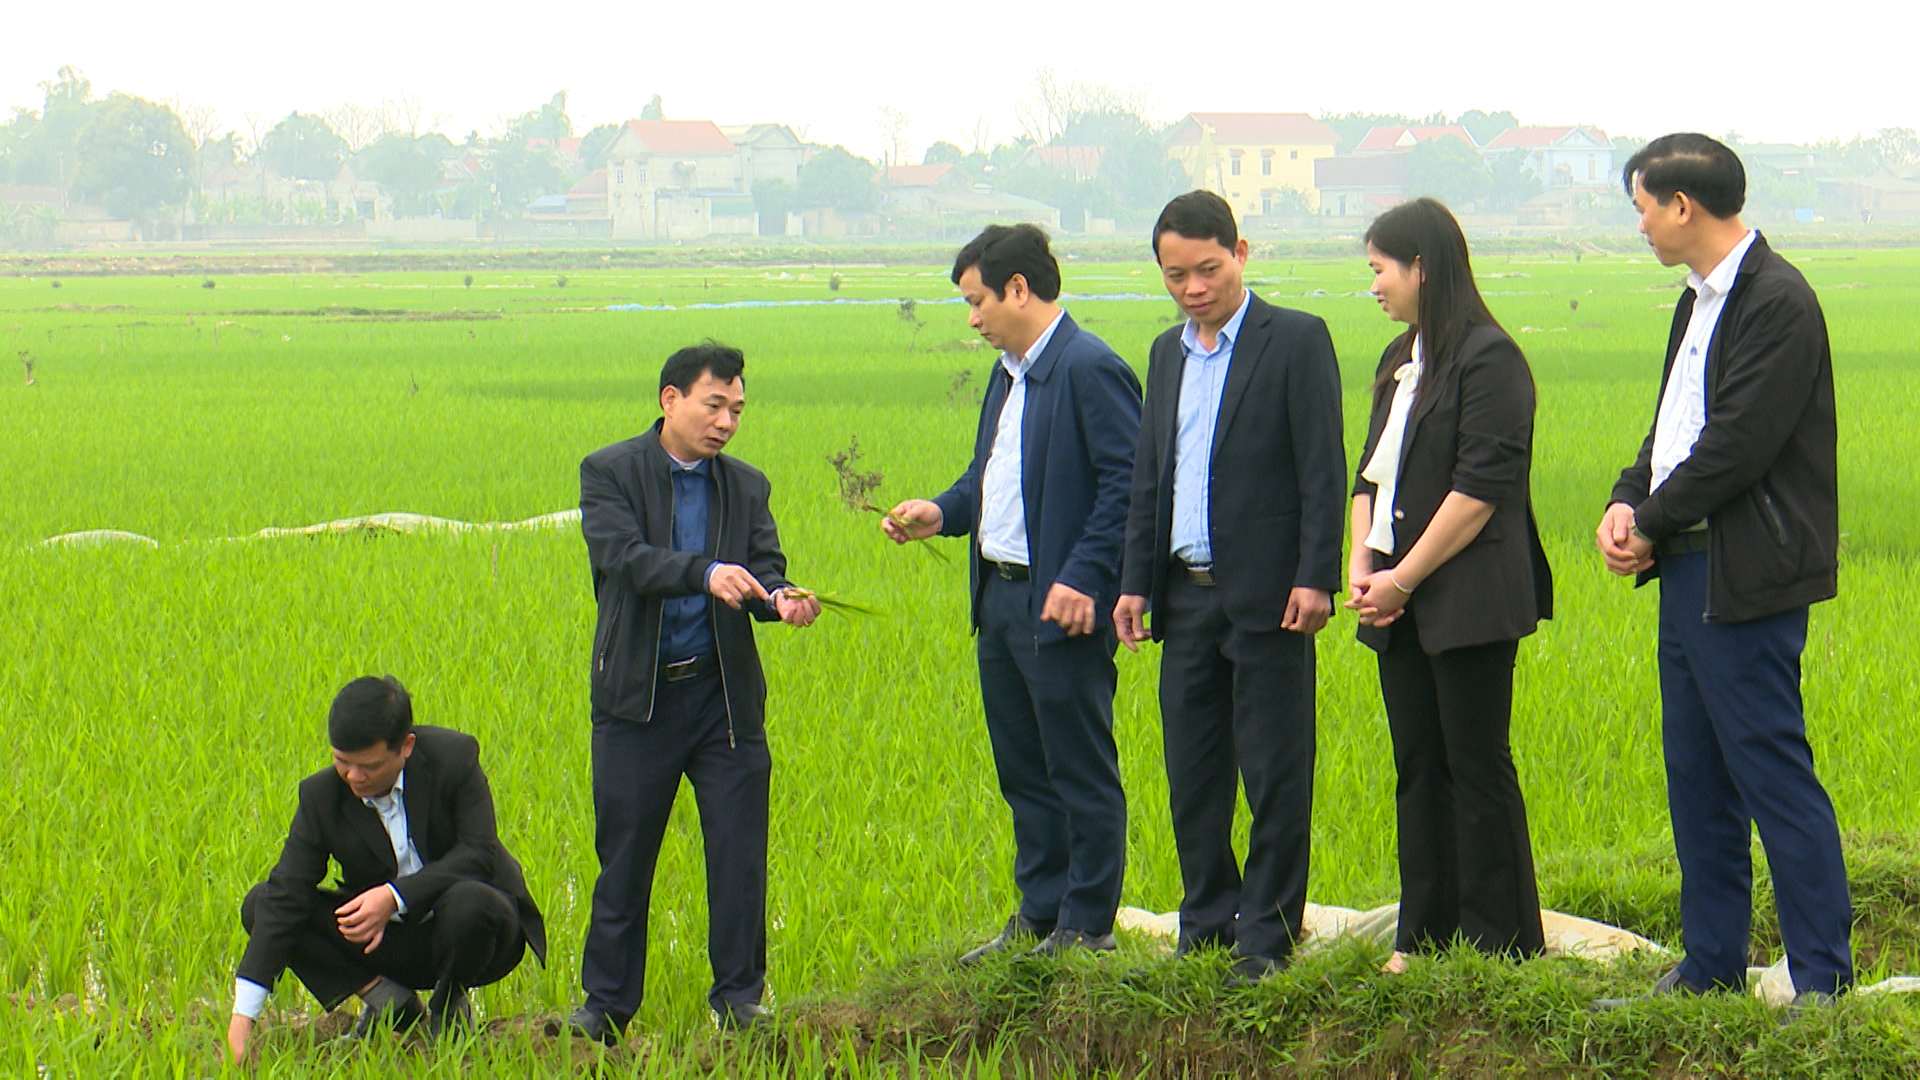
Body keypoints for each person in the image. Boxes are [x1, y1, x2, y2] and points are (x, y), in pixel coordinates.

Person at [1593, 133, 1850, 1013]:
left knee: (1771, 770)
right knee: (1697, 773)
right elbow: (1670, 429)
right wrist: (1631, 501)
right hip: (1687, 569)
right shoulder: (1696, 302)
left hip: (1748, 571)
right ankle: (1709, 967)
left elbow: (1738, 441)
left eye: (1640, 206)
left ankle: (1822, 978)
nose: (1639, 225)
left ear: (1682, 206)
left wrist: (1654, 517)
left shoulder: (1776, 299)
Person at [884, 223, 1142, 962]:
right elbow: (990, 480)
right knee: (1024, 768)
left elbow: (1129, 487)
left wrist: (1083, 577)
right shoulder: (1010, 373)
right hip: (998, 600)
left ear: (1018, 290)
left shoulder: (1090, 369)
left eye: (976, 301)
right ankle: (1039, 911)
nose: (971, 318)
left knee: (1078, 765)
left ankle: (1087, 925)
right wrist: (942, 512)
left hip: (1060, 604)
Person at [555, 341, 821, 1043]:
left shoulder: (746, 485)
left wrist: (781, 598)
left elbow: (762, 569)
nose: (727, 421)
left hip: (722, 700)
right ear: (670, 399)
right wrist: (704, 572)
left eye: (737, 409)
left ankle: (739, 998)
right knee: (626, 856)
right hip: (637, 702)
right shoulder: (610, 472)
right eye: (714, 404)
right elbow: (624, 559)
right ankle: (606, 1005)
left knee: (737, 853)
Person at [1113, 191, 1345, 983]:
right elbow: (1151, 478)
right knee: (1193, 770)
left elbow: (1322, 466)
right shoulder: (1165, 354)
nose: (1193, 288)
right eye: (1176, 275)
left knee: (1276, 771)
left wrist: (1318, 576)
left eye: (1207, 269)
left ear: (1241, 252)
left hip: (1272, 596)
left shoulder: (1296, 341)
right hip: (1184, 594)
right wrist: (1134, 583)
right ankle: (1205, 921)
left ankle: (1268, 936)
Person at [1345, 197, 1553, 973]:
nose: (1374, 286)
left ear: (1422, 268)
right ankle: (1423, 935)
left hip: (1466, 599)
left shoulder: (1489, 360)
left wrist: (1403, 576)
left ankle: (1500, 942)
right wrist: (1364, 571)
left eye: (1379, 270)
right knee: (1418, 767)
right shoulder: (1400, 361)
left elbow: (1477, 494)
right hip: (1395, 599)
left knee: (1475, 763)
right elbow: (1366, 474)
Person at [227, 675, 547, 1063]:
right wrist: (243, 1016)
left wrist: (393, 896)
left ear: (406, 746)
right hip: (385, 941)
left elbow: (479, 854)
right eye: (342, 762)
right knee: (262, 904)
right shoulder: (322, 795)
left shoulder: (454, 758)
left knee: (470, 900)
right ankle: (389, 1001)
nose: (354, 778)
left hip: (478, 933)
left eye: (369, 766)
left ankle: (450, 1008)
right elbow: (287, 892)